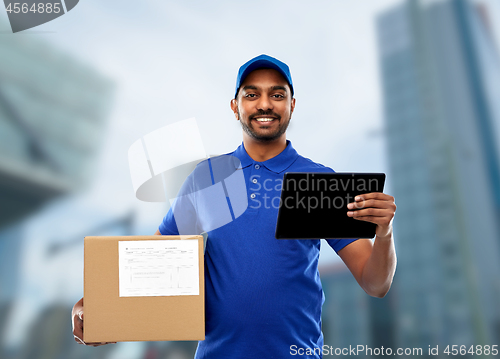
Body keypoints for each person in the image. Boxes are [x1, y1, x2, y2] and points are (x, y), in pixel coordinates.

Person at [72, 54, 397, 358]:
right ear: (235, 105)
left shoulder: (319, 181)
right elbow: (149, 267)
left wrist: (384, 234)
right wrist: (96, 309)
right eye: (252, 94)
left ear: (292, 105)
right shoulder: (206, 178)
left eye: (277, 94)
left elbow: (375, 282)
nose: (265, 104)